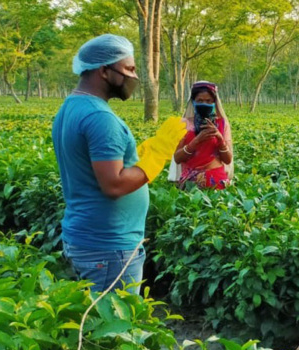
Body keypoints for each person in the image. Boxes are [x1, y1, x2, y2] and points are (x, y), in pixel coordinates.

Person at [52, 34, 187, 294]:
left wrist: (144, 151)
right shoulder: (100, 118)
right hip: (108, 247)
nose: (134, 77)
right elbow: (114, 184)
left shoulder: (72, 106)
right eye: (129, 69)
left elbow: (97, 164)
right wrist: (160, 151)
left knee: (94, 320)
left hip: (89, 239)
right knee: (116, 328)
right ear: (104, 70)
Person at [172, 81, 234, 190]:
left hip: (217, 182)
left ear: (214, 102)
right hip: (189, 183)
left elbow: (228, 160)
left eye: (208, 101)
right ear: (193, 102)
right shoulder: (183, 124)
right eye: (200, 100)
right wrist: (196, 142)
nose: (204, 104)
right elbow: (177, 158)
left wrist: (219, 138)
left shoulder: (222, 124)